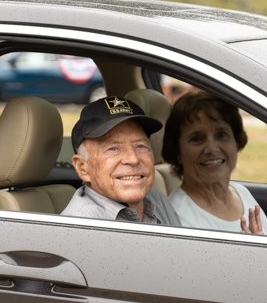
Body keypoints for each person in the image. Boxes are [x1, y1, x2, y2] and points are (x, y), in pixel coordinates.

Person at [161, 90, 267, 234]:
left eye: (221, 135)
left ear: (236, 141)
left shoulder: (242, 193)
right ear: (177, 152)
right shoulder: (173, 219)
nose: (211, 148)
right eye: (196, 138)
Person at [60, 96, 181, 225]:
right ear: (83, 167)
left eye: (140, 146)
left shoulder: (156, 200)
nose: (133, 159)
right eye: (113, 149)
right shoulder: (81, 227)